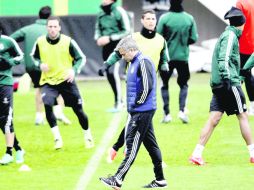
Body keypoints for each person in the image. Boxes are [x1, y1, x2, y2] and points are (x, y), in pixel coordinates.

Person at [99, 9, 169, 162]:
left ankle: (117, 148)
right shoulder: (133, 38)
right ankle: (123, 150)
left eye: (153, 18)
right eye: (148, 18)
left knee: (141, 120)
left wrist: (165, 69)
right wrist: (106, 65)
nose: (151, 21)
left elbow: (164, 59)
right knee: (138, 118)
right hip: (134, 84)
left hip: (150, 85)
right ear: (142, 20)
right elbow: (118, 52)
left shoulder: (161, 40)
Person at [99, 36, 167, 189]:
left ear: (132, 50)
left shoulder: (143, 62)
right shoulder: (133, 62)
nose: (122, 57)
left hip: (142, 111)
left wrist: (136, 105)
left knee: (132, 146)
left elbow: (147, 86)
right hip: (140, 110)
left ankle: (117, 179)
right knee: (151, 145)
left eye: (123, 54)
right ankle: (160, 180)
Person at [189, 7, 254, 166]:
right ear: (242, 24)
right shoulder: (231, 36)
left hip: (219, 83)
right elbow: (224, 59)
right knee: (243, 115)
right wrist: (229, 79)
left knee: (214, 118)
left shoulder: (226, 34)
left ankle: (196, 154)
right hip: (228, 83)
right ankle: (253, 153)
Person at [30, 16, 94, 149]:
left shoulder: (68, 41)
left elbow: (81, 58)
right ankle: (57, 138)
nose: (52, 29)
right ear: (46, 28)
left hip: (66, 81)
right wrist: (40, 64)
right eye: (50, 27)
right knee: (47, 104)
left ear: (59, 28)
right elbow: (33, 57)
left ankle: (87, 136)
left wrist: (73, 70)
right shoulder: (40, 41)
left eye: (55, 27)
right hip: (48, 81)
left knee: (79, 111)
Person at [11, 6, 70, 126]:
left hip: (31, 66)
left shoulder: (27, 29)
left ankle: (39, 116)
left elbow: (10, 39)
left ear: (39, 15)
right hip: (48, 66)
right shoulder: (52, 30)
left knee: (39, 88)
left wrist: (18, 55)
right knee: (60, 86)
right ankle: (58, 112)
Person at [156, 0, 198, 123]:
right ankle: (182, 111)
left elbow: (158, 37)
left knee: (164, 84)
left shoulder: (165, 18)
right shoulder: (189, 18)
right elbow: (193, 38)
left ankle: (167, 114)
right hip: (183, 58)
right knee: (184, 84)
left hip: (166, 58)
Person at [94, 0, 131, 112]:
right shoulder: (100, 14)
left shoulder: (120, 12)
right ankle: (119, 100)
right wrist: (98, 38)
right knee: (109, 75)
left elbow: (127, 30)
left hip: (119, 46)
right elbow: (97, 29)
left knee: (112, 72)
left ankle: (119, 103)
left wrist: (110, 38)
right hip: (106, 48)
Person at [0, 29, 25, 165]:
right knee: (0, 120)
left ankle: (9, 152)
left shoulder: (7, 41)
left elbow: (20, 56)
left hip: (5, 84)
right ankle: (19, 148)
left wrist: (9, 61)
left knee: (6, 118)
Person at [236, 0, 254, 115]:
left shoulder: (240, 4)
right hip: (252, 44)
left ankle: (240, 104)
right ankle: (250, 104)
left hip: (243, 45)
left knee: (242, 74)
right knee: (246, 74)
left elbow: (237, 24)